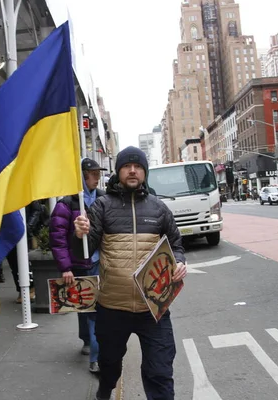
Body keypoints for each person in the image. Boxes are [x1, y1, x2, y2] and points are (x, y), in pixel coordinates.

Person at [72, 146, 187, 400]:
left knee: (160, 371)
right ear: (119, 171)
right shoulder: (102, 206)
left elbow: (176, 245)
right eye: (126, 166)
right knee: (110, 365)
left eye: (137, 166)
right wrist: (80, 234)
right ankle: (105, 391)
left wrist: (178, 262)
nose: (132, 170)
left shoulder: (159, 208)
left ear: (144, 172)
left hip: (153, 309)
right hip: (113, 308)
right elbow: (82, 252)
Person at [50, 157, 106, 373]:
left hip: (100, 262)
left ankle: (93, 349)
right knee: (87, 310)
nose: (97, 177)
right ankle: (93, 350)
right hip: (80, 265)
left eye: (97, 173)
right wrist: (65, 267)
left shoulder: (102, 198)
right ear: (82, 176)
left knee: (92, 311)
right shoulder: (66, 205)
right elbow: (58, 239)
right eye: (92, 174)